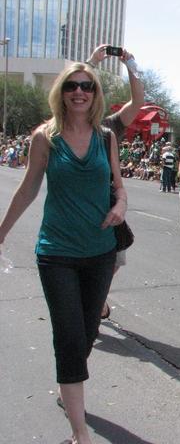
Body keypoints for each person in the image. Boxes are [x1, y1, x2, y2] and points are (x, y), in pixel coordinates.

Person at [0, 62, 126, 444]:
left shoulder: (106, 138)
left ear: (95, 94)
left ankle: (67, 389)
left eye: (87, 86)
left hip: (101, 252)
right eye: (72, 85)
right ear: (61, 91)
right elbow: (27, 190)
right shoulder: (45, 138)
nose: (79, 92)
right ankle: (79, 432)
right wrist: (1, 233)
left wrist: (121, 204)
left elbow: (119, 186)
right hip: (57, 253)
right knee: (69, 337)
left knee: (86, 334)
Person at [86, 45, 145, 319]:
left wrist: (131, 65)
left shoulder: (110, 126)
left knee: (116, 256)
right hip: (76, 201)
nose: (84, 97)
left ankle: (96, 296)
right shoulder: (68, 124)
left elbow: (137, 103)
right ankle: (93, 301)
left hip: (106, 199)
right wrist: (93, 62)